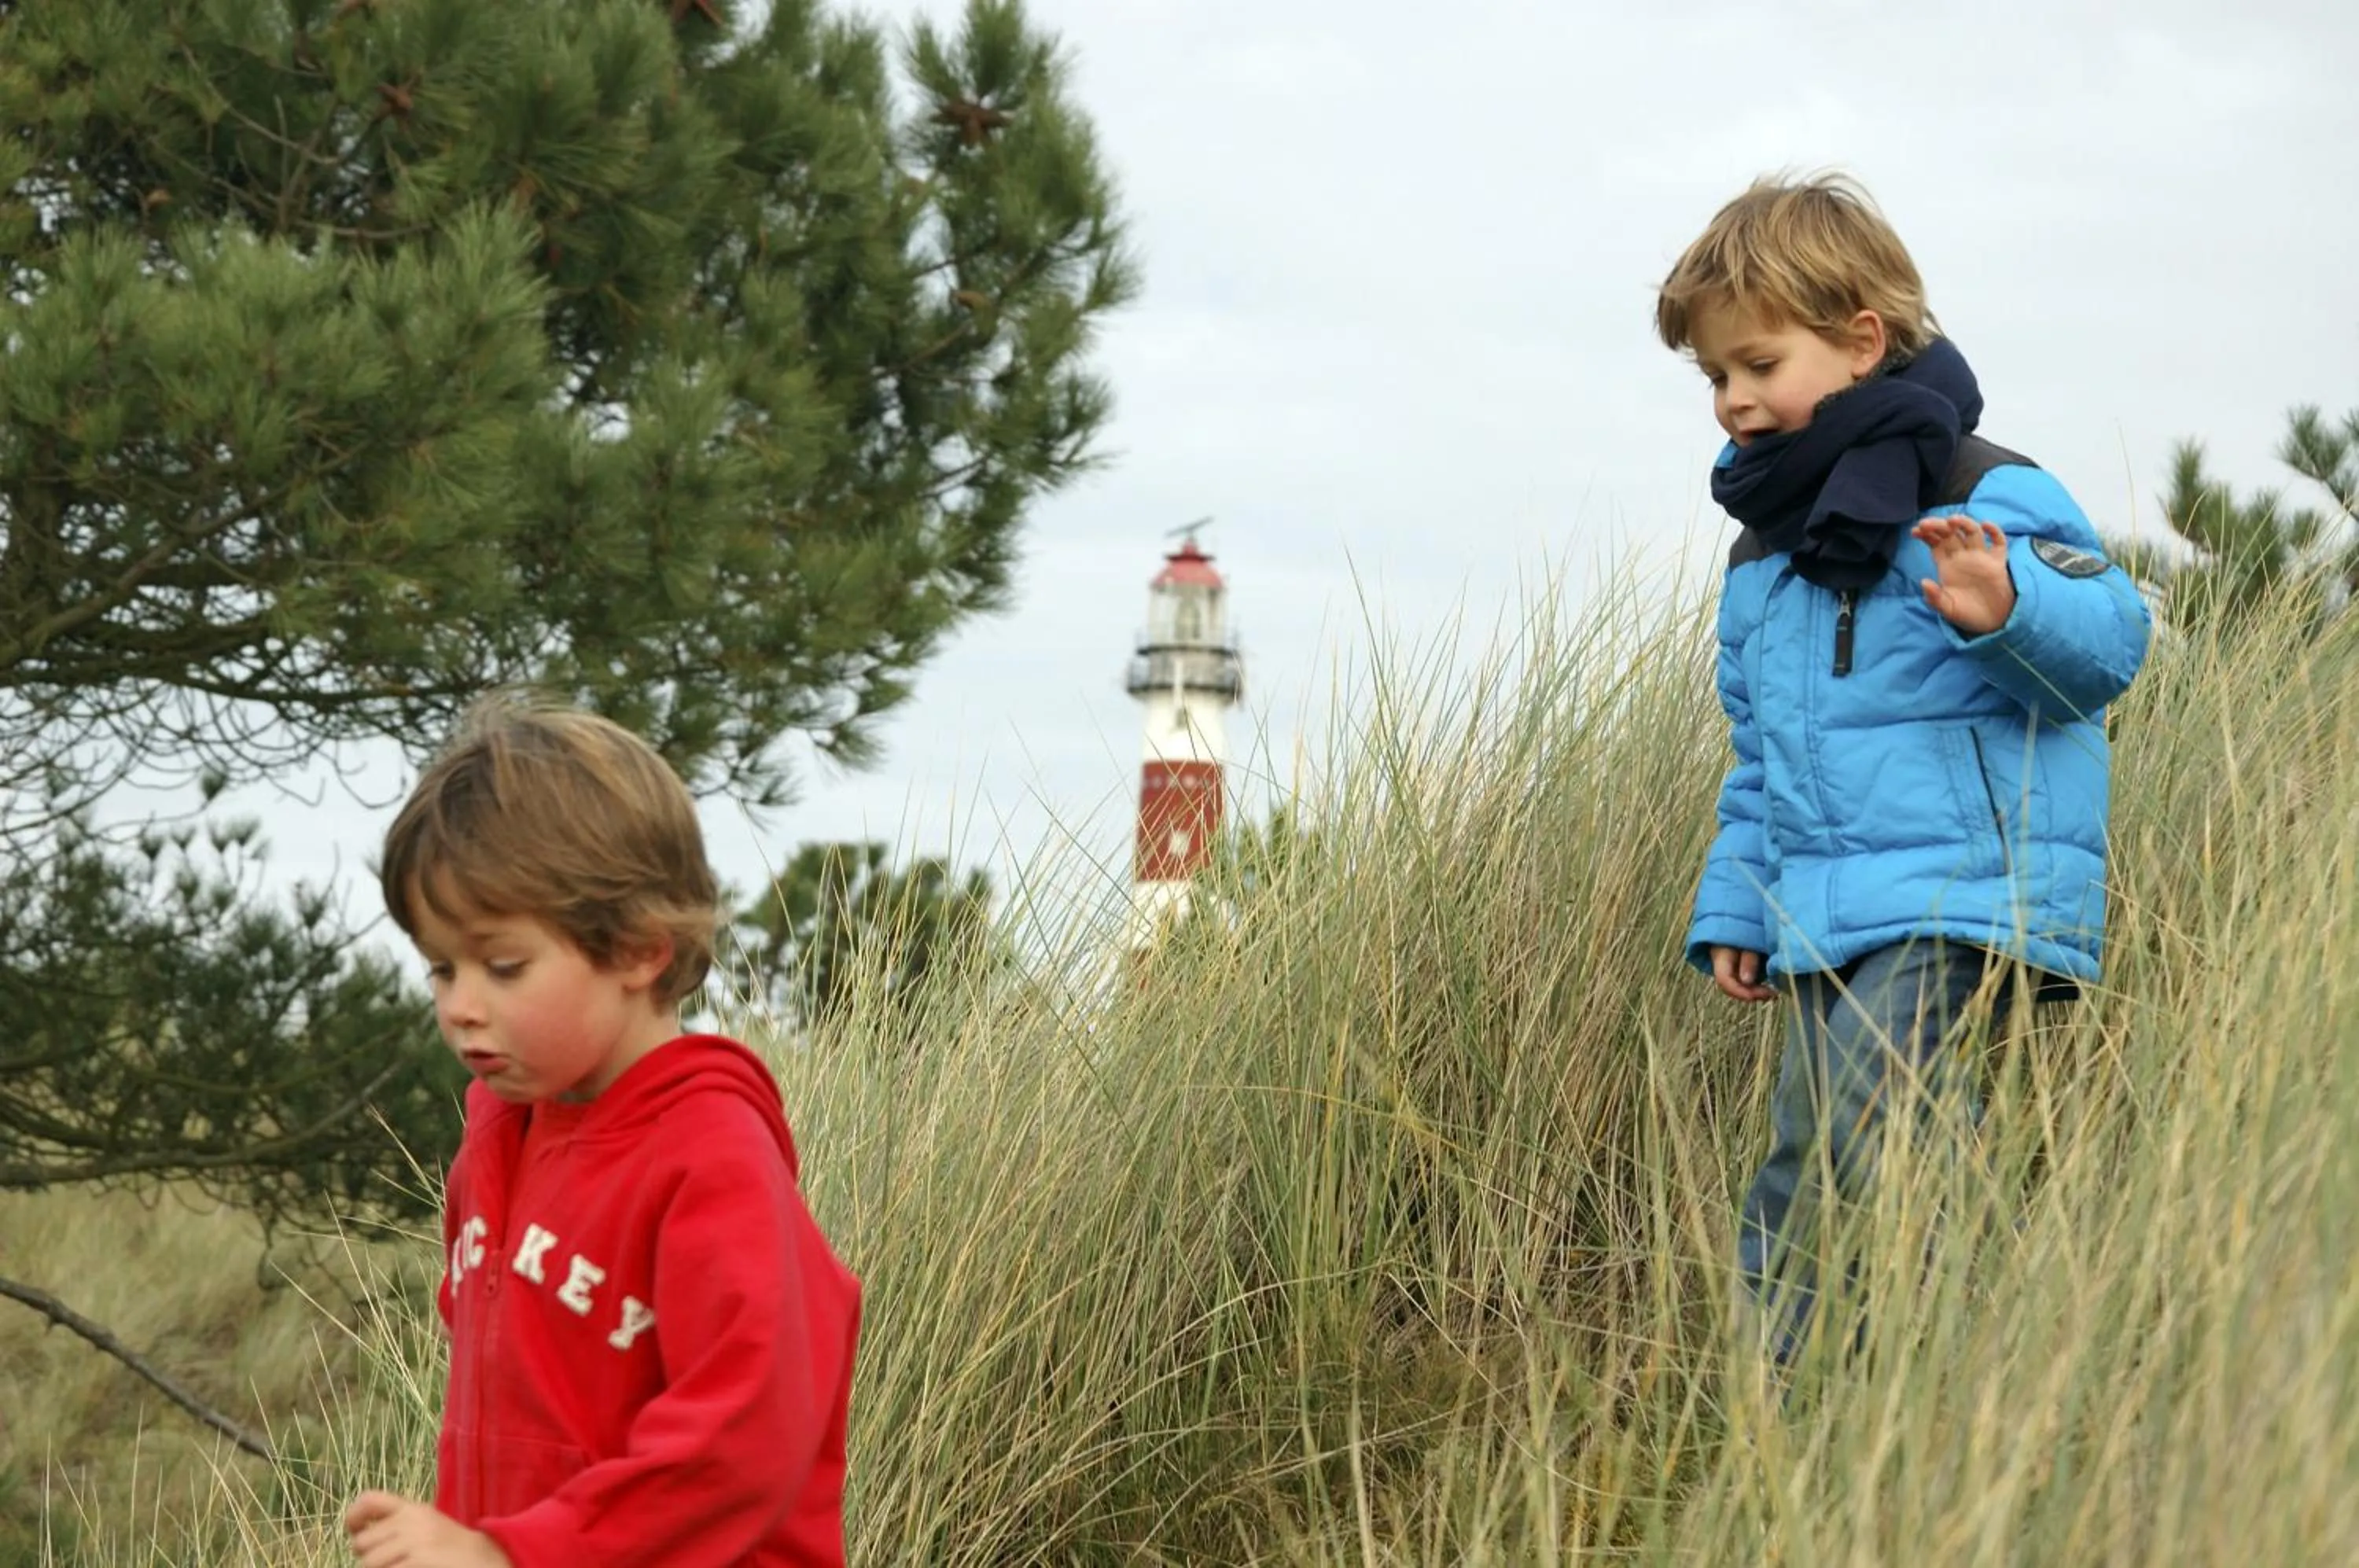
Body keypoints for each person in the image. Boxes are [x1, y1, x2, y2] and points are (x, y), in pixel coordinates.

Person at [1655, 174, 2150, 1365]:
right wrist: (1739, 902)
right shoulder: (1765, 552)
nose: (1732, 400)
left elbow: (2111, 645)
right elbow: (1761, 755)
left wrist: (2005, 607)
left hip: (1960, 888)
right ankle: (1794, 1420)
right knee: (1803, 1156)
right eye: (1714, 376)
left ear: (1859, 341)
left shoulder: (1979, 490)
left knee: (1890, 1119)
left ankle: (1980, 1375)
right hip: (1824, 909)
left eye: (1758, 365)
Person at [344, 698, 860, 1567]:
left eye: (503, 965)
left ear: (637, 949)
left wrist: (512, 1553)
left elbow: (746, 1440)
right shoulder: (496, 1137)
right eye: (440, 965)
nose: (460, 1005)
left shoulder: (710, 1154)